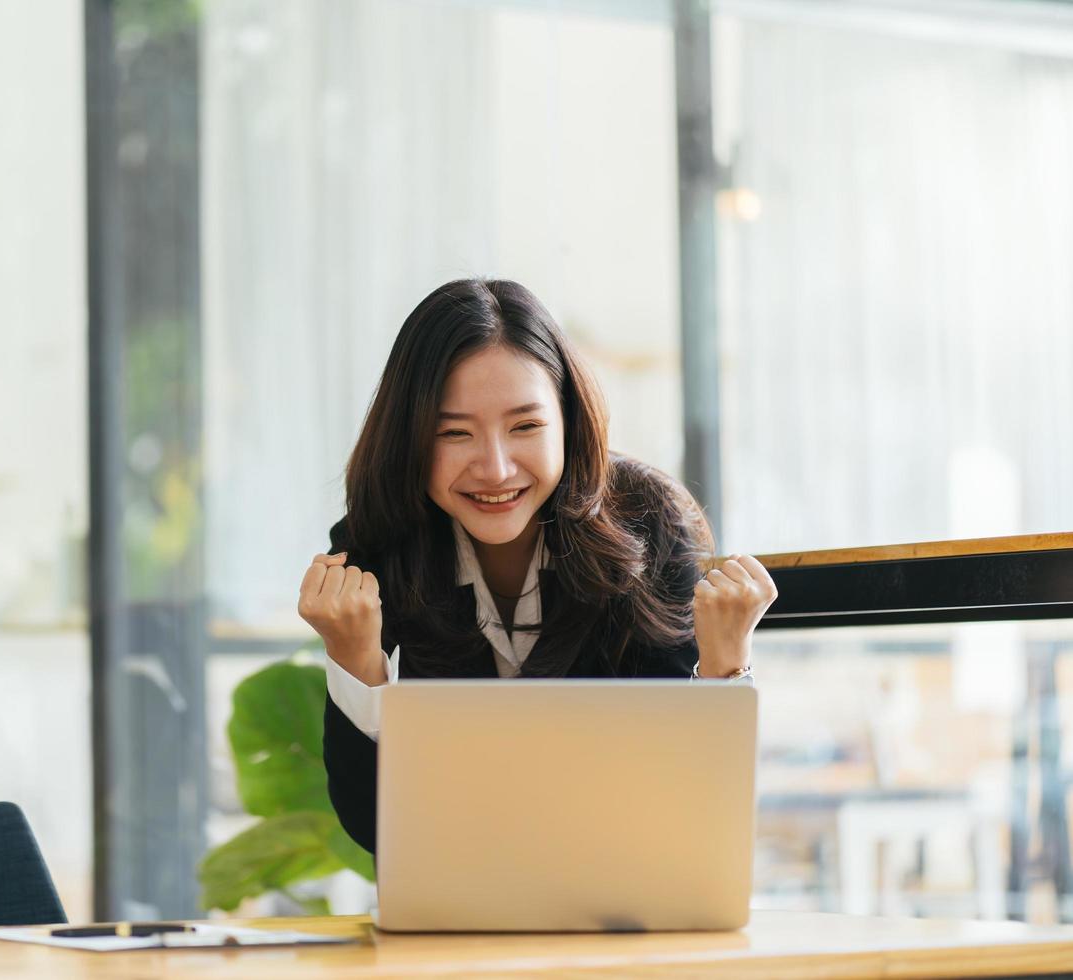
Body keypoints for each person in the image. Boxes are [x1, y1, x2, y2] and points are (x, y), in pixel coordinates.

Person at [297, 278, 778, 854]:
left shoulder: (648, 527)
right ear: (411, 439)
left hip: (625, 900)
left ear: (570, 422)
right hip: (459, 914)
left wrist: (725, 666)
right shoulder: (378, 549)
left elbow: (696, 808)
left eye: (525, 426)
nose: (496, 469)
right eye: (454, 433)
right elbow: (374, 830)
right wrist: (355, 664)